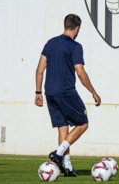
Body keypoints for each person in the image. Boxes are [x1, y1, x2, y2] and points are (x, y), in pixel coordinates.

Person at [35, 14, 101, 177]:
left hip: (49, 92)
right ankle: (58, 153)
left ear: (65, 26)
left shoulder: (50, 43)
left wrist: (38, 92)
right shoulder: (75, 46)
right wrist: (93, 91)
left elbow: (39, 70)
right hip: (66, 92)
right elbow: (80, 71)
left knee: (63, 128)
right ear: (77, 28)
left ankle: (68, 168)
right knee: (83, 123)